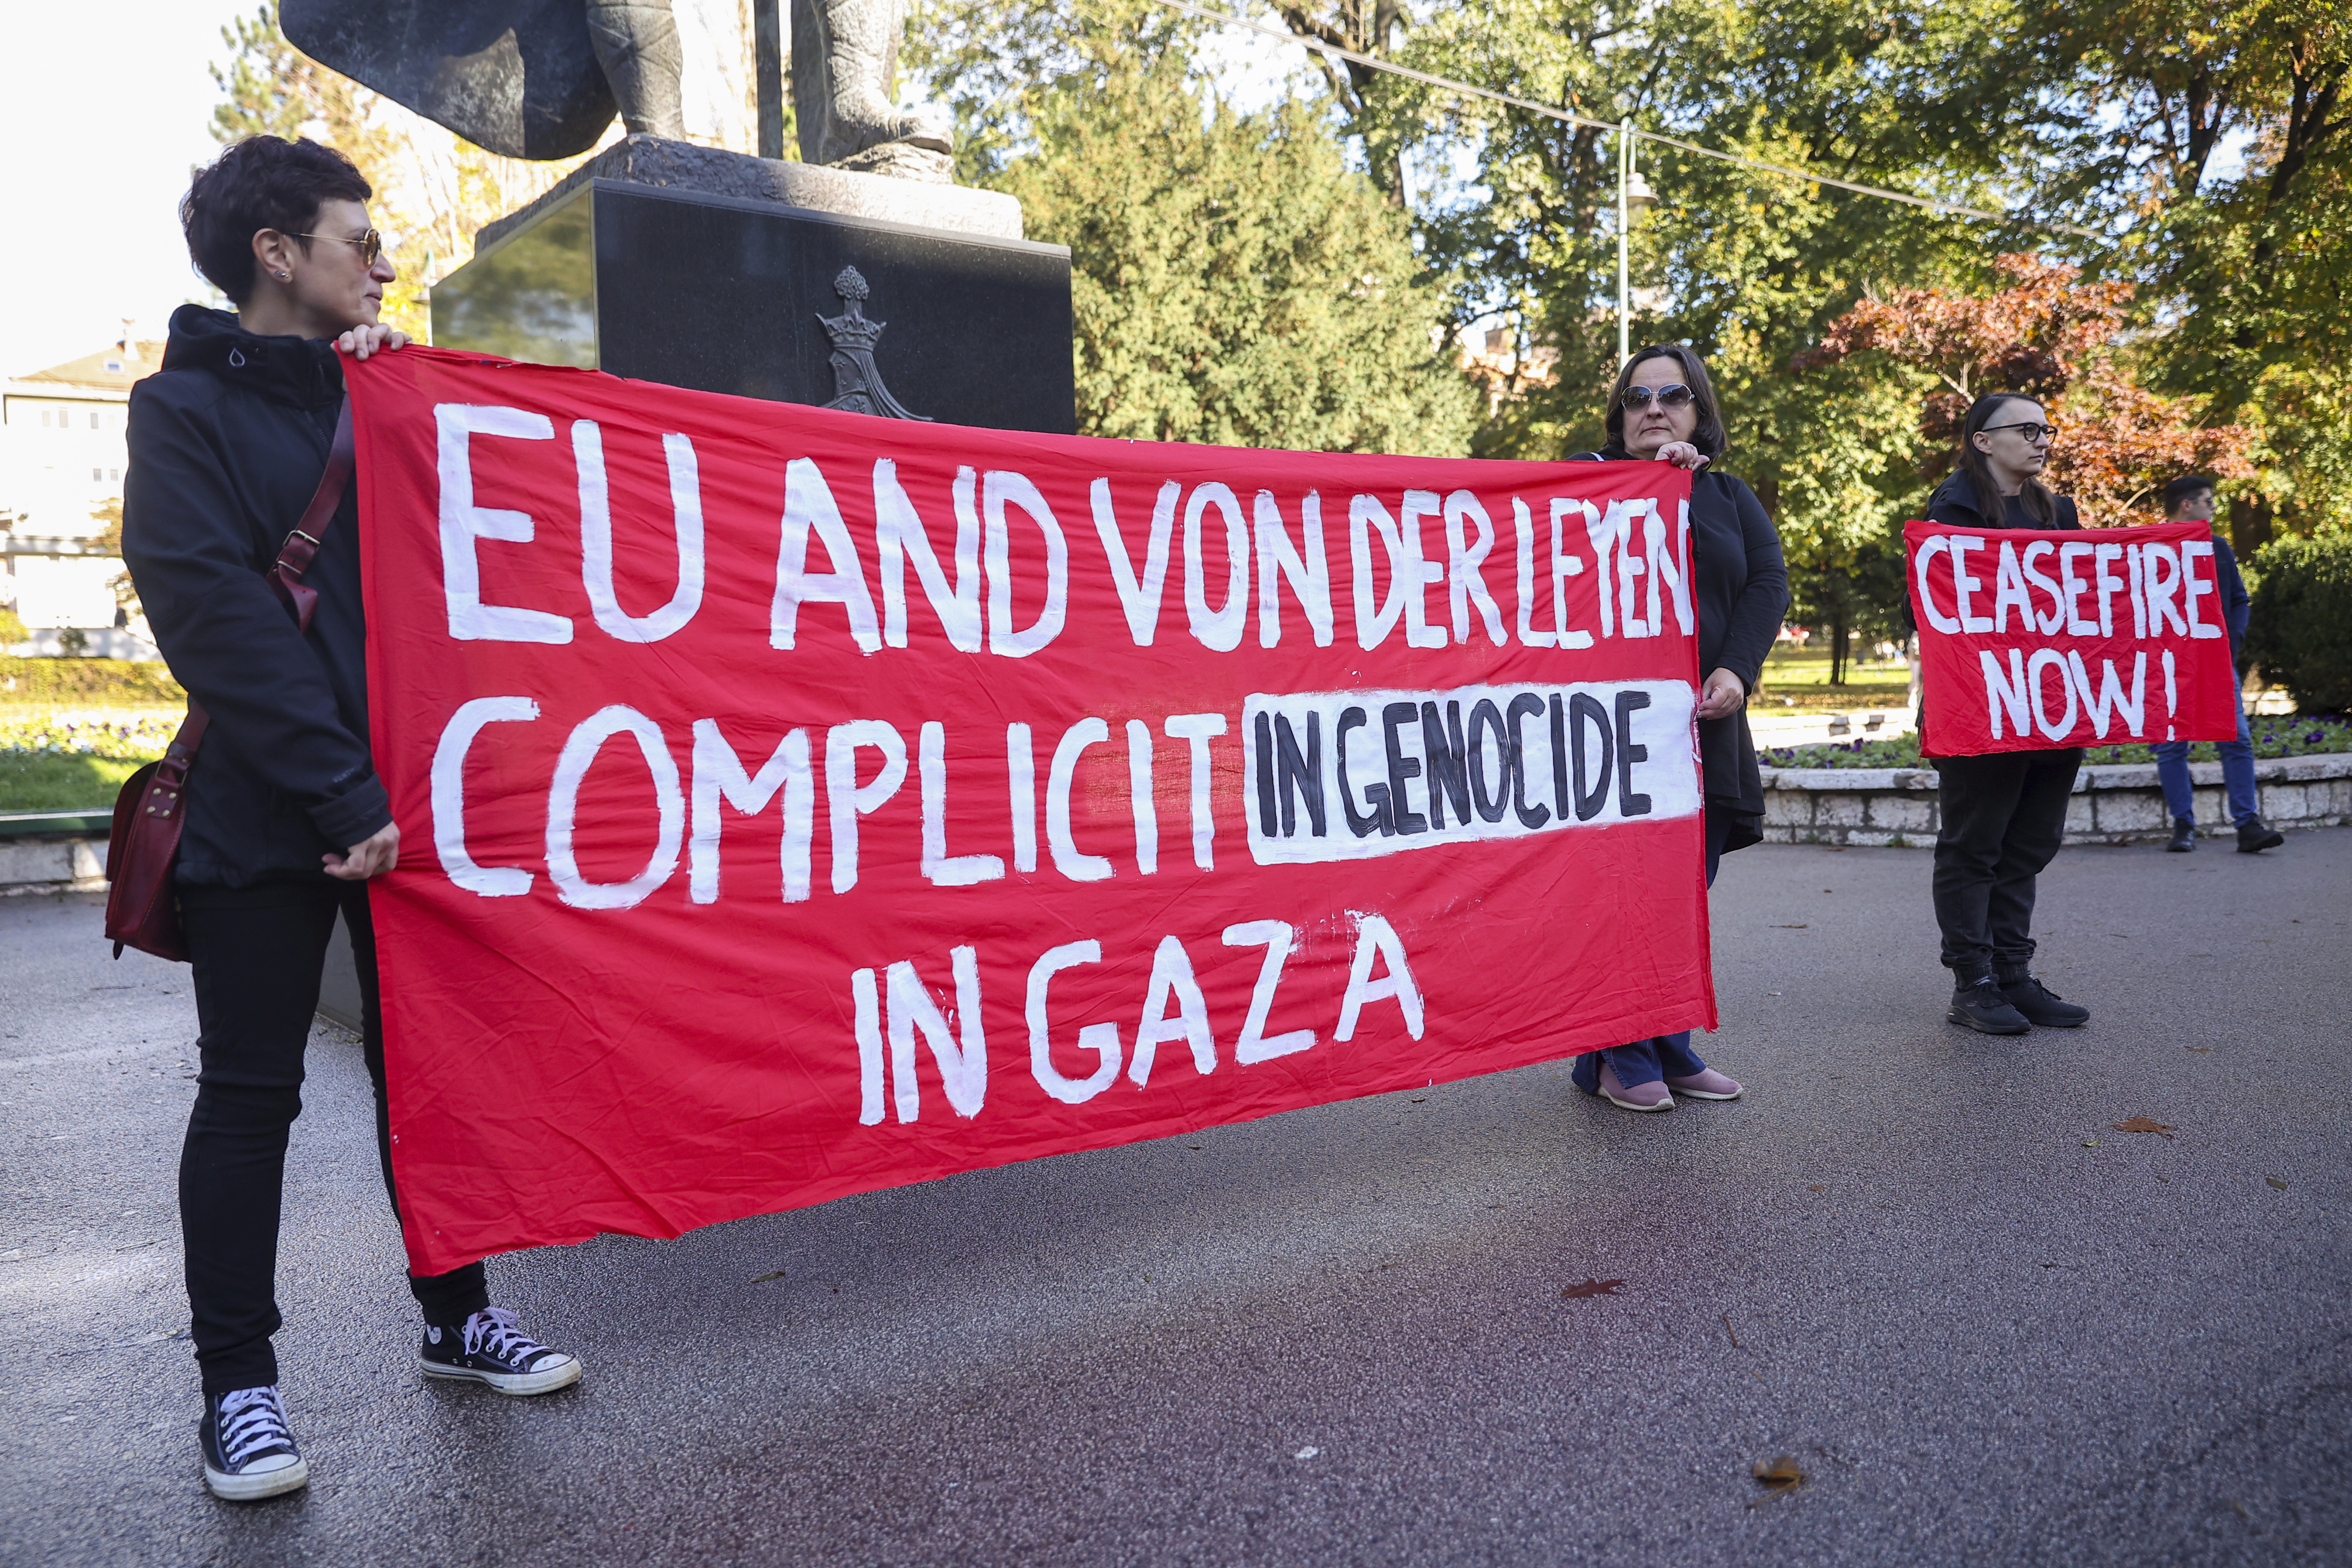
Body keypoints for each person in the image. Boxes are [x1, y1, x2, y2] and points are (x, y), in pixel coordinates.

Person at [122, 136, 582, 1506]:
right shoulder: (178, 411)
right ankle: (239, 1389)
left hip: (416, 813)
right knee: (250, 1094)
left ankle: (458, 1318)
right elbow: (217, 618)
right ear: (277, 254)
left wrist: (405, 396)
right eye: (357, 240)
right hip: (271, 811)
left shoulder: (380, 396)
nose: (382, 265)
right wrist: (342, 791)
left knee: (431, 1077)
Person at [1567, 345, 1790, 1111]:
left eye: (1671, 395)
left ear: (1699, 411)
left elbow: (1767, 581)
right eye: (1636, 397)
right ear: (1618, 414)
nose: (1653, 408)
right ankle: (1619, 1055)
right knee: (1619, 895)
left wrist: (1735, 668)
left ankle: (1666, 1045)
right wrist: (1640, 483)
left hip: (1702, 728)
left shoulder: (1726, 495)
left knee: (1680, 895)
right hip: (1608, 734)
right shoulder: (1585, 481)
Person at [1922, 393, 2092, 1035]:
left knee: (2028, 843)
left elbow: (2086, 602)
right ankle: (1973, 984)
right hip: (1980, 709)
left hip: (2050, 708)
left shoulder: (2058, 511)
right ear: (1982, 440)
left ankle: (2012, 975)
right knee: (1974, 845)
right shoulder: (1953, 508)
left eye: (2046, 429)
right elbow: (1926, 607)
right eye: (2027, 429)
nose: (2042, 440)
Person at [2152, 475, 2283, 854]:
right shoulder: (2151, 547)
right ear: (2187, 505)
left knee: (2236, 739)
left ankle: (2247, 826)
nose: (2213, 508)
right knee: (2171, 745)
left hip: (2215, 663)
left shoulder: (2217, 547)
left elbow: (2239, 600)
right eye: (2208, 501)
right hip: (2168, 664)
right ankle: (2183, 826)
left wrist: (2231, 641)